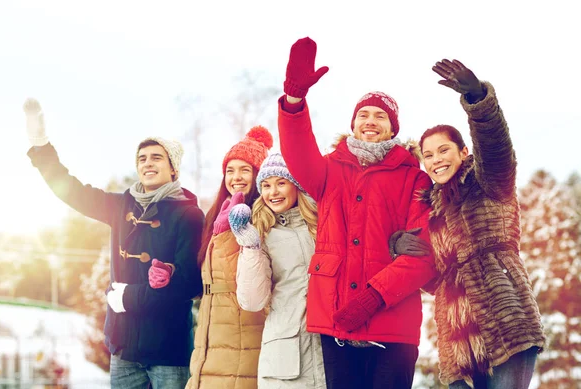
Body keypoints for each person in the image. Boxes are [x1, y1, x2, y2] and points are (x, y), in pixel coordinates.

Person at [277, 37, 437, 388]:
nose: (370, 120)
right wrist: (294, 101)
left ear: (393, 128)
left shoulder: (416, 178)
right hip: (336, 316)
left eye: (380, 116)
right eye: (363, 114)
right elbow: (297, 150)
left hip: (393, 321)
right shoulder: (329, 170)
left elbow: (423, 253)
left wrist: (373, 296)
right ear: (352, 124)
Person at [23, 98, 204, 388]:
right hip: (124, 350)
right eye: (142, 158)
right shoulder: (121, 206)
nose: (148, 163)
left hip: (169, 352)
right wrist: (41, 145)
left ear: (173, 170)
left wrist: (126, 297)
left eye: (157, 157)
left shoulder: (190, 215)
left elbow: (188, 284)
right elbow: (73, 191)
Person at [408, 59, 546, 388]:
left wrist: (477, 101)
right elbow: (435, 283)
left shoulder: (488, 183)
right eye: (428, 154)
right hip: (460, 342)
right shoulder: (434, 212)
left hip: (505, 321)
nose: (436, 159)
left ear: (463, 151)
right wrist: (404, 249)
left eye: (444, 150)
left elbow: (496, 148)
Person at [227, 152, 326, 388]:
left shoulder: (322, 224)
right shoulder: (262, 232)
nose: (273, 192)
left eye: (281, 183)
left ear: (297, 186)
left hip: (328, 349)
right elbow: (252, 301)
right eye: (266, 185)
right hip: (286, 354)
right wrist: (250, 247)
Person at [185, 126, 273, 389]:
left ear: (258, 175)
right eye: (230, 171)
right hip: (209, 332)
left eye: (245, 170)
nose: (236, 177)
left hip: (243, 331)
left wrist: (227, 235)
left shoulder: (263, 215)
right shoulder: (217, 214)